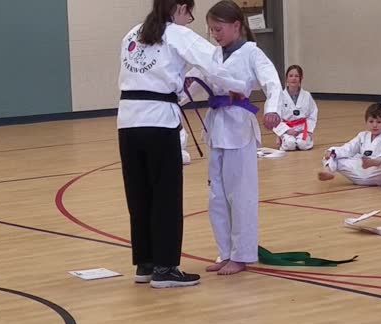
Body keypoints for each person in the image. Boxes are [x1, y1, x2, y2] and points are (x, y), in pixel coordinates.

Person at [117, 0, 245, 288]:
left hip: (127, 122)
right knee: (165, 195)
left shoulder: (131, 34)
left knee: (139, 196)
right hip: (158, 121)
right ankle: (165, 268)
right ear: (180, 7)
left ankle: (145, 264)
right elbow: (214, 61)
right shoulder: (176, 33)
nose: (190, 20)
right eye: (190, 13)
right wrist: (239, 85)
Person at [185, 0, 281, 275]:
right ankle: (225, 251)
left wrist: (272, 110)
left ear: (237, 25)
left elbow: (272, 82)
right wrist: (177, 92)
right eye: (212, 30)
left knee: (241, 195)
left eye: (219, 28)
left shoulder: (252, 53)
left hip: (239, 127)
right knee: (216, 196)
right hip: (216, 127)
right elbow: (193, 81)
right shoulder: (213, 55)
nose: (215, 34)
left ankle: (242, 254)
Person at [318, 103, 381, 186]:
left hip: (380, 173)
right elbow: (348, 148)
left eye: (378, 122)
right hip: (362, 170)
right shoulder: (362, 136)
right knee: (331, 152)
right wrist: (332, 152)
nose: (374, 125)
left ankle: (375, 161)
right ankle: (328, 170)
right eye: (371, 121)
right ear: (366, 121)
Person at [273, 65, 318, 151]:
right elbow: (275, 117)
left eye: (296, 76)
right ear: (286, 78)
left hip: (302, 128)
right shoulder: (280, 96)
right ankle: (283, 139)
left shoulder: (307, 95)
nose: (293, 78)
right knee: (290, 144)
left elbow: (313, 114)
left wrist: (308, 130)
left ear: (301, 78)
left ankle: (304, 140)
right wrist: (286, 130)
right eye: (291, 76)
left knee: (303, 144)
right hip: (287, 128)